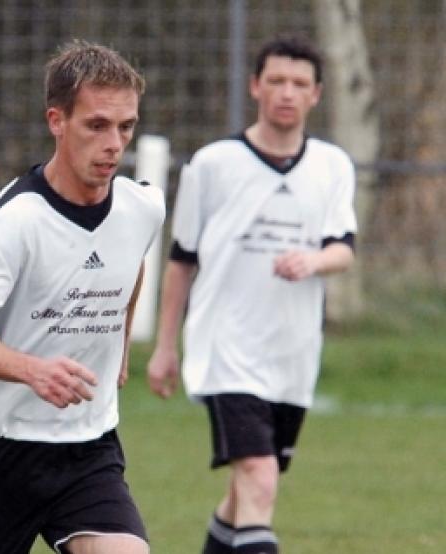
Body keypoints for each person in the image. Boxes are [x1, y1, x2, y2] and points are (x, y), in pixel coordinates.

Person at [0, 40, 164, 554]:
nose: (114, 143)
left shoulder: (143, 208)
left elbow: (130, 261)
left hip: (86, 447)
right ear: (57, 120)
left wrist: (116, 338)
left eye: (126, 127)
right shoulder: (13, 222)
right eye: (97, 125)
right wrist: (34, 370)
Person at [146, 36, 357, 554]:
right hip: (226, 350)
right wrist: (166, 346)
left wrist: (314, 261)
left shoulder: (333, 166)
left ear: (316, 95)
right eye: (277, 81)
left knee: (245, 497)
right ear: (255, 86)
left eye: (300, 83)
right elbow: (181, 261)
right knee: (259, 478)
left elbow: (344, 249)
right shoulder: (213, 164)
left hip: (291, 356)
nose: (287, 92)